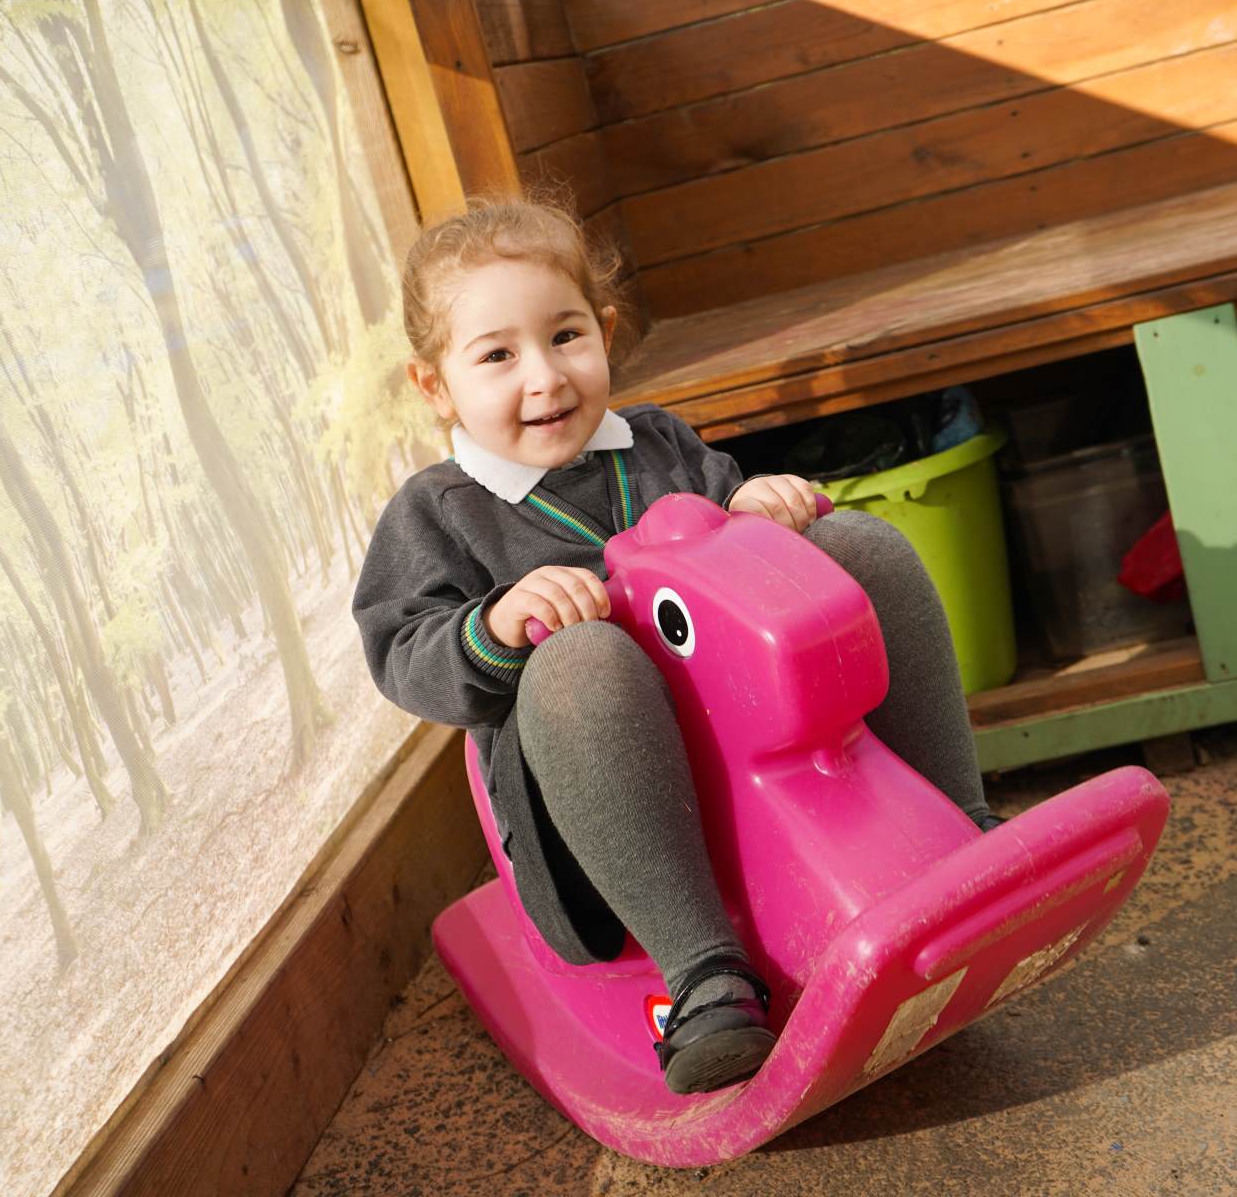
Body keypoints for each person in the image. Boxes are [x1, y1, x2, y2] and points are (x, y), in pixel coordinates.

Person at [351, 195, 1001, 1096]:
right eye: (497, 355)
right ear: (434, 386)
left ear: (605, 332)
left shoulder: (656, 445)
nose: (545, 377)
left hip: (756, 754)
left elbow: (740, 557)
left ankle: (966, 830)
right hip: (596, 827)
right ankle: (703, 973)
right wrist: (495, 625)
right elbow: (402, 654)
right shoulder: (438, 513)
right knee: (580, 658)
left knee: (854, 541)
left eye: (566, 336)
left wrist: (756, 510)